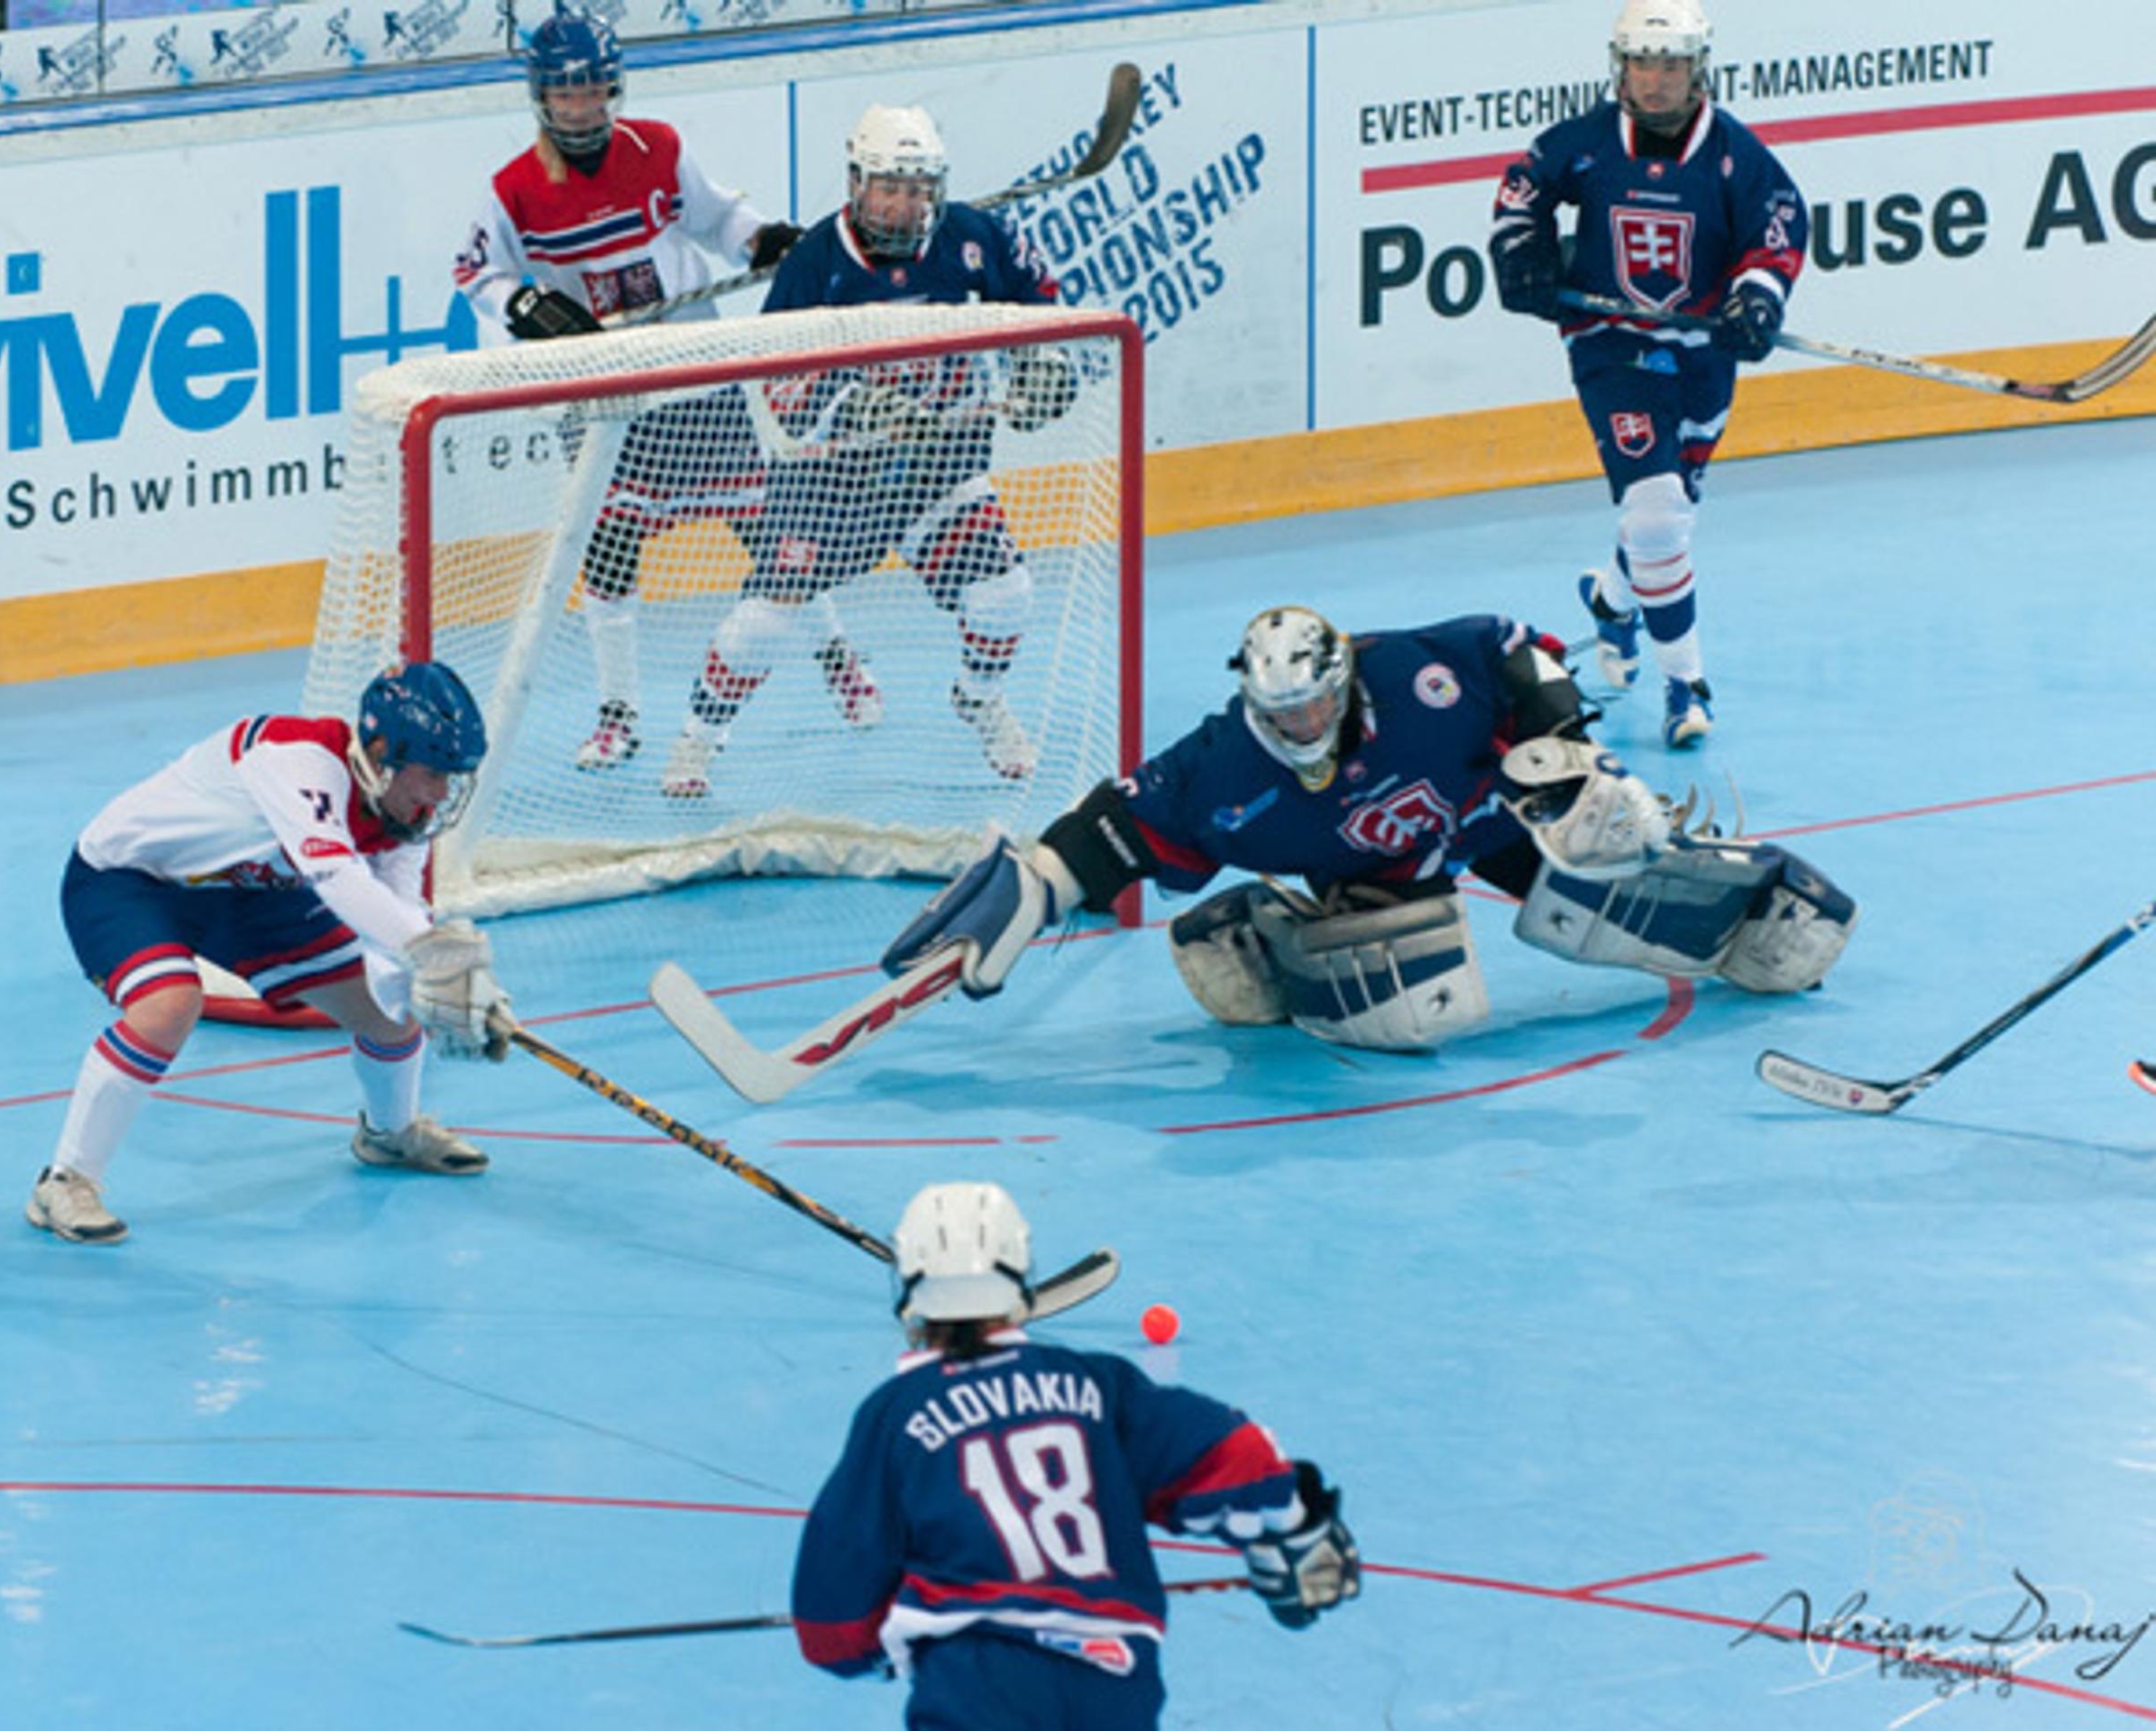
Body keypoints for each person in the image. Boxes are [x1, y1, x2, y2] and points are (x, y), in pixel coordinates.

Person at [880, 607, 1858, 1054]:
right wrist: (1038, 881)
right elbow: (1117, 826)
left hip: (1488, 820)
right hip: (1379, 879)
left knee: (1606, 858)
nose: (1302, 728)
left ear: (1341, 683)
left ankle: (1735, 906)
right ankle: (1258, 930)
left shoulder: (1419, 674)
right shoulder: (1220, 766)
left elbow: (1515, 647)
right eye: (1282, 716)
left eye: (1315, 707)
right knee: (1423, 1006)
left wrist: (1570, 757)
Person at [791, 1182, 1358, 1728]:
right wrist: (1292, 1528)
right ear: (1021, 1274)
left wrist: (864, 1646)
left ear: (910, 1290)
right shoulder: (1093, 1385)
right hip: (1114, 1673)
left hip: (978, 1679)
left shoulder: (896, 1414)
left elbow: (833, 1604)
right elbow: (1233, 1453)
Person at [657, 102, 1070, 799]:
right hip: (831, 481)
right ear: (857, 184)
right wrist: (850, 406)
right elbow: (775, 386)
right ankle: (700, 736)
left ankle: (978, 698)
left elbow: (1044, 305)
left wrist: (1044, 363)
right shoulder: (816, 262)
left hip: (937, 469)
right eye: (890, 188)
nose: (905, 207)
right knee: (762, 624)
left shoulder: (975, 237)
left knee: (1006, 595)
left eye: (919, 189)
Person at [29, 662, 517, 1244]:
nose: (441, 795)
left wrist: (452, 995)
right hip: (131, 881)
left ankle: (390, 1133)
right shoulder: (297, 759)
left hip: (250, 892)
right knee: (169, 1005)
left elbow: (397, 929)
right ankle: (65, 1180)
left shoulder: (405, 814)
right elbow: (340, 883)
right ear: (382, 750)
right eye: (433, 773)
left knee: (392, 1010)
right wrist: (436, 957)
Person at [452, 8, 801, 776]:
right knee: (607, 548)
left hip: (689, 371)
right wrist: (523, 305)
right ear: (541, 97)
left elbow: (718, 218)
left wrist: (760, 239)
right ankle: (620, 714)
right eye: (566, 95)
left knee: (769, 532)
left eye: (594, 91)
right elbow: (477, 270)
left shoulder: (659, 148)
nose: (582, 108)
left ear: (615, 87)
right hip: (603, 391)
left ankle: (843, 658)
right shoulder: (514, 189)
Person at [1486, 0, 1808, 750]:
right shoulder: (1587, 144)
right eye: (1640, 64)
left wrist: (1755, 300)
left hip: (1700, 357)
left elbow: (1779, 232)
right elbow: (1522, 191)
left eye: (1670, 66)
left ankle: (1609, 599)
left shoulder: (1735, 155)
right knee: (1659, 515)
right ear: (1618, 65)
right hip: (1611, 347)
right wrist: (1521, 253)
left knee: (1669, 517)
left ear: (1698, 70)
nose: (1654, 81)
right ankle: (1686, 684)